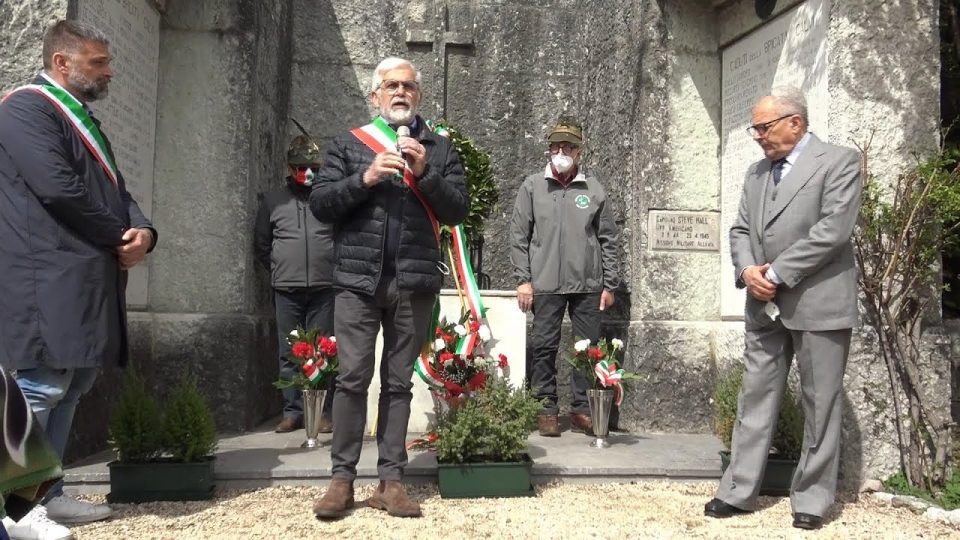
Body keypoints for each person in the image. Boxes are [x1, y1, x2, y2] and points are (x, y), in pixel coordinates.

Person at [0, 20, 157, 540]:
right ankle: (15, 508)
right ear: (62, 62)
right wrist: (119, 234)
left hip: (85, 271)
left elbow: (117, 188)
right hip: (44, 271)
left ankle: (50, 493)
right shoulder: (27, 109)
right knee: (41, 385)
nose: (109, 71)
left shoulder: (80, 118)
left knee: (75, 382)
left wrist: (144, 232)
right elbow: (58, 189)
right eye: (98, 63)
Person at [308, 57, 468, 519]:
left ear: (418, 94)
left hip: (413, 282)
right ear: (375, 95)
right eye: (391, 86)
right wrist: (365, 178)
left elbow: (457, 210)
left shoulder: (438, 148)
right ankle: (342, 479)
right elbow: (321, 204)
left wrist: (426, 176)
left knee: (398, 384)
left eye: (408, 86)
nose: (400, 92)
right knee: (353, 378)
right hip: (358, 282)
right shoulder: (348, 144)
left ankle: (391, 481)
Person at [704, 86, 861, 530]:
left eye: (763, 126)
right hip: (762, 305)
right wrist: (748, 270)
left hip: (818, 302)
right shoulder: (756, 174)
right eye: (755, 128)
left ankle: (811, 498)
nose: (757, 136)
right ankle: (738, 490)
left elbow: (833, 229)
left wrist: (775, 274)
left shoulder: (838, 162)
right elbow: (739, 229)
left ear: (795, 121)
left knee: (819, 402)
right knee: (754, 397)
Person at [509, 118, 620, 437]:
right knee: (544, 345)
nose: (561, 151)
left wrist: (609, 284)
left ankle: (583, 410)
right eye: (556, 146)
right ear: (549, 149)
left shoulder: (594, 189)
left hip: (587, 284)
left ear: (579, 151)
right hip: (544, 283)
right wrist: (523, 280)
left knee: (587, 349)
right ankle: (545, 407)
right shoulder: (532, 186)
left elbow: (608, 238)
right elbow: (518, 235)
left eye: (568, 146)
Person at [255, 134, 337, 434]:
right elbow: (262, 245)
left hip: (324, 288)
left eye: (313, 166)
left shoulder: (327, 199)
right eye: (302, 167)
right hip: (287, 290)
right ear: (290, 168)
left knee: (323, 352)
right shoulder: (273, 201)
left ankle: (323, 413)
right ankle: (292, 412)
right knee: (290, 351)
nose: (308, 172)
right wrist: (279, 269)